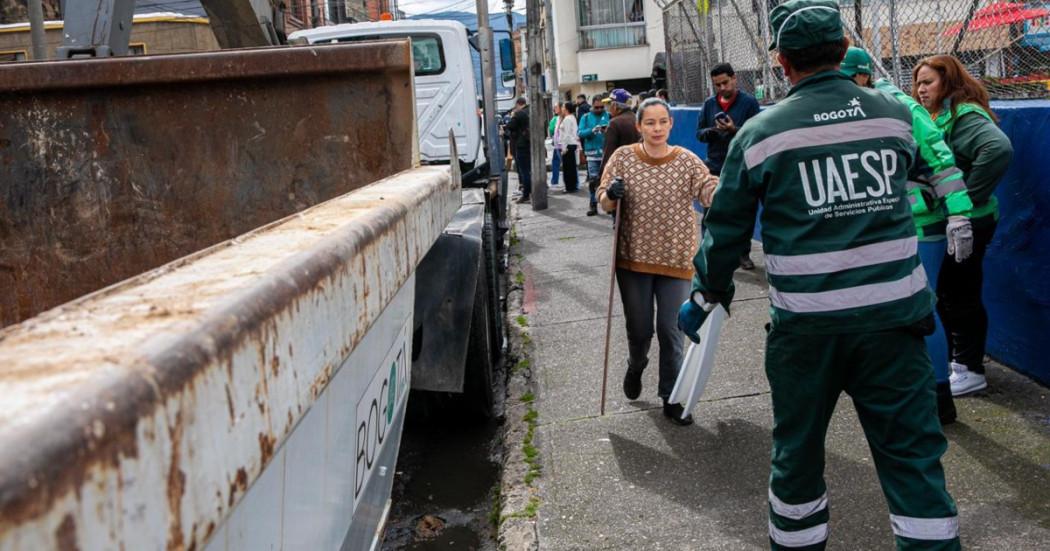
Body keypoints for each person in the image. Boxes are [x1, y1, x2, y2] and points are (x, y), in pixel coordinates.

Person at [678, 1, 961, 548]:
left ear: (782, 62)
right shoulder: (894, 114)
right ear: (843, 51)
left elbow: (727, 228)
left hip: (808, 331)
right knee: (913, 461)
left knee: (798, 459)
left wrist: (705, 295)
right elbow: (932, 172)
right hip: (893, 325)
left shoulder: (761, 133)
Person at [845, 47, 978, 425]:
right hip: (888, 225)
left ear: (862, 76)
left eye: (846, 78)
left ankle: (939, 398)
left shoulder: (901, 108)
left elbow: (941, 161)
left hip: (920, 223)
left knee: (921, 308)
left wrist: (959, 213)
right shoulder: (858, 107)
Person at [596, 98, 718, 426]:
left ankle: (671, 396)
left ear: (671, 124)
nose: (657, 128)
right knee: (640, 331)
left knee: (672, 331)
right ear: (639, 126)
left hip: (676, 260)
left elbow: (707, 189)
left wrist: (725, 189)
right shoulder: (623, 158)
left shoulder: (687, 160)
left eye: (663, 121)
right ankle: (636, 365)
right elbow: (603, 200)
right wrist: (611, 195)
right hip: (633, 261)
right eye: (650, 123)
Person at [913, 55, 1013, 398]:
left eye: (928, 82)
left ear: (949, 81)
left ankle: (970, 369)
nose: (920, 89)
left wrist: (965, 199)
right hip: (956, 220)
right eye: (918, 83)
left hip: (971, 220)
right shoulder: (938, 115)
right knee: (950, 292)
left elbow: (998, 149)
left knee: (961, 293)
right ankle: (959, 362)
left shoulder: (964, 114)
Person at [695, 62, 762, 269]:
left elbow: (757, 133)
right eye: (717, 85)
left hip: (741, 165)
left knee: (742, 212)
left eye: (725, 82)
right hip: (715, 166)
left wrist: (734, 130)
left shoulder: (749, 103)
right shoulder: (709, 104)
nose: (722, 88)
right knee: (710, 211)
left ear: (734, 78)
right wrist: (711, 132)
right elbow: (699, 133)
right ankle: (709, 252)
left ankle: (743, 254)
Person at [598, 89, 641, 185]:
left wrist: (600, 177)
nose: (608, 107)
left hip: (620, 175)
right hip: (638, 171)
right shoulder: (637, 119)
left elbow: (608, 154)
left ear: (615, 106)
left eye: (610, 104)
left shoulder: (614, 123)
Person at [579, 94, 611, 215]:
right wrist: (591, 131)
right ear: (592, 105)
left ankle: (608, 205)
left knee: (608, 181)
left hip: (606, 153)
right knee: (593, 181)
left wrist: (606, 130)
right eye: (597, 107)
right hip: (592, 154)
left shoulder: (608, 115)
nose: (599, 109)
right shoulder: (586, 117)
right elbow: (580, 133)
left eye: (602, 107)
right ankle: (593, 205)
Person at [505, 97, 533, 204]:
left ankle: (526, 194)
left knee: (524, 171)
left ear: (518, 104)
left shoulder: (519, 114)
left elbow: (510, 126)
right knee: (529, 170)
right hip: (531, 143)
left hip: (522, 145)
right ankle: (531, 192)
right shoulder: (531, 111)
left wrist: (513, 116)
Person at [555, 101, 580, 193]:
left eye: (563, 107)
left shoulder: (567, 119)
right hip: (571, 144)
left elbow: (566, 135)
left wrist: (564, 148)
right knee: (571, 167)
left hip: (568, 145)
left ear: (566, 109)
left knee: (568, 168)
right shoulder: (572, 117)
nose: (562, 108)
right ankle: (572, 186)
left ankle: (569, 187)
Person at [548, 103, 563, 189]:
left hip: (559, 143)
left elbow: (551, 129)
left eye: (556, 107)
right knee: (556, 161)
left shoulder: (556, 118)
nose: (554, 109)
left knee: (556, 162)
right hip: (560, 143)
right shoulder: (562, 117)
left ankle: (554, 180)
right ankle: (554, 180)